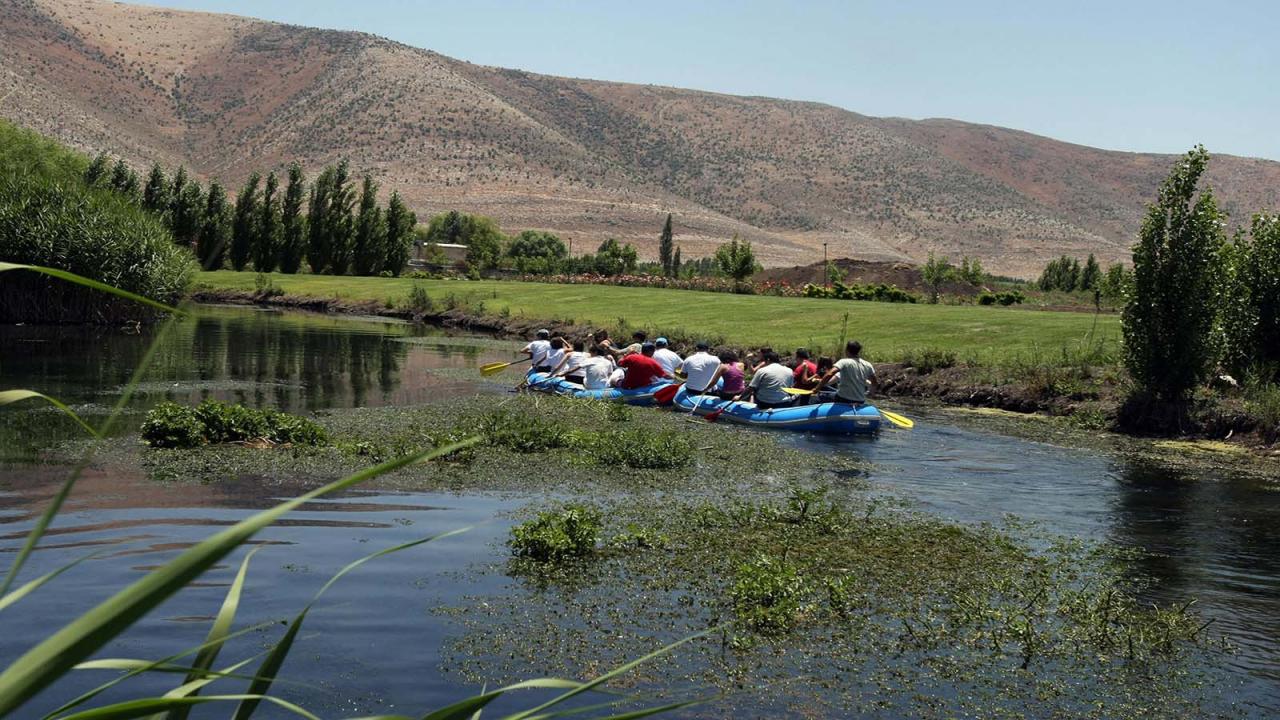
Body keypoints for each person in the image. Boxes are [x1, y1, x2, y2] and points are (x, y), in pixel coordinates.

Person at [816, 340, 876, 405]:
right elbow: (874, 383)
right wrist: (870, 393)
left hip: (842, 399)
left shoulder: (844, 362)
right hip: (860, 400)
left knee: (819, 397)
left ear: (847, 350)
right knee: (833, 392)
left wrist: (817, 388)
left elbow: (830, 374)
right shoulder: (868, 364)